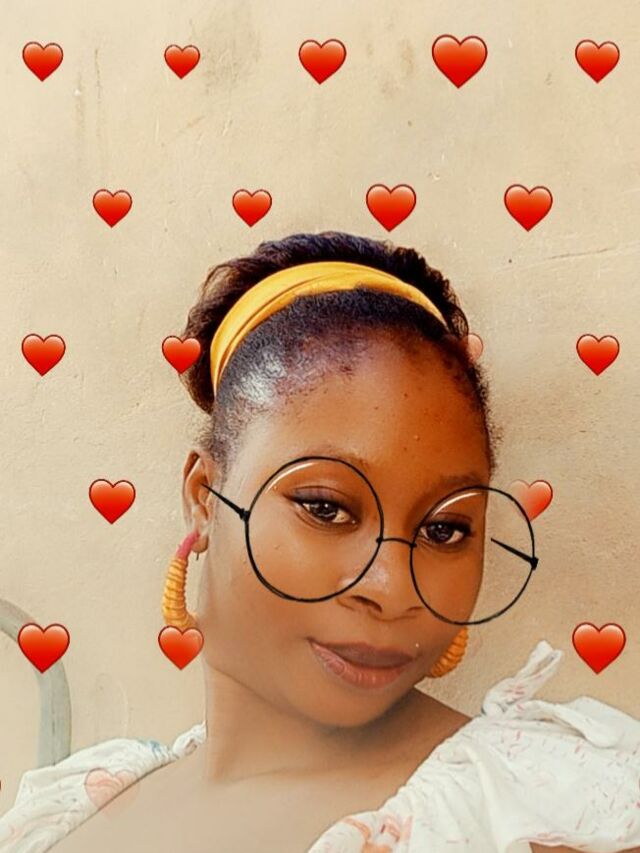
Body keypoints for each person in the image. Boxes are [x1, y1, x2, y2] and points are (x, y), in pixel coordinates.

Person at [1, 232, 638, 853]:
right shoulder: (67, 816)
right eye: (326, 508)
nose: (392, 588)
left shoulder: (543, 816)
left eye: (443, 530)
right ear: (204, 495)